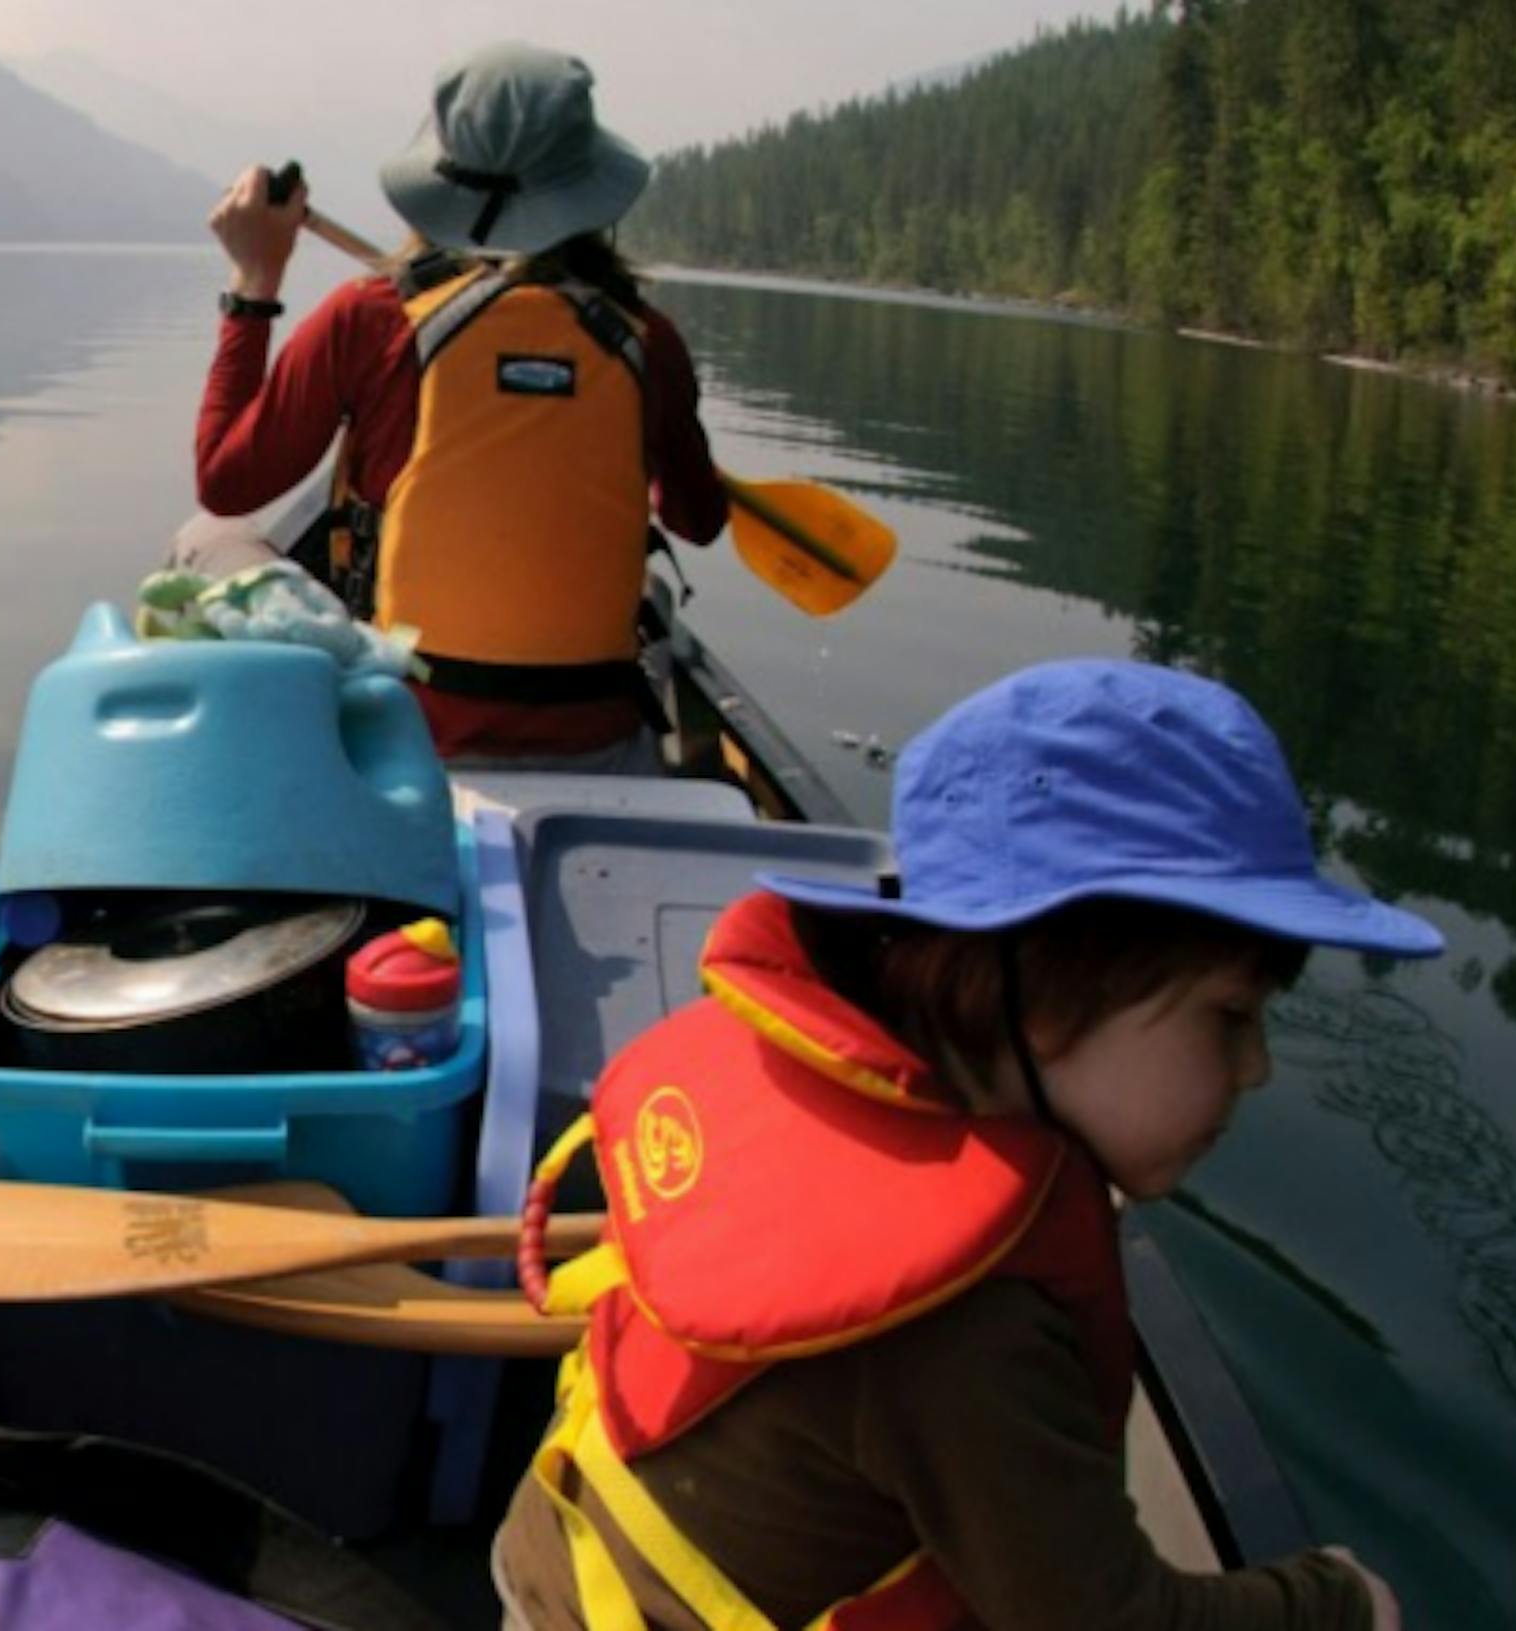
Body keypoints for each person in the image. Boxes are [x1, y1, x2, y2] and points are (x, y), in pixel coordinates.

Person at [497, 660, 1426, 1630]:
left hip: (548, 1560)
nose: (1257, 1067)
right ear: (1061, 979)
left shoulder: (820, 1090)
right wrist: (1337, 1601)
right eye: (1231, 1015)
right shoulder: (970, 1323)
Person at [197, 41, 725, 772]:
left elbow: (226, 483)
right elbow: (698, 521)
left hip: (408, 732)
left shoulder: (370, 318)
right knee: (653, 590)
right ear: (588, 192)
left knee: (204, 535)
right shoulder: (647, 341)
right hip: (600, 745)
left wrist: (255, 280)